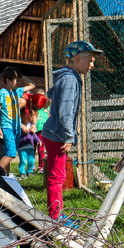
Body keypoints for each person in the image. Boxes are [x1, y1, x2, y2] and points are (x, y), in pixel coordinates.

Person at [41, 40, 103, 221]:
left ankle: (57, 213)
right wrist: (69, 136)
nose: (92, 65)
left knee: (58, 175)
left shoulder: (65, 77)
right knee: (57, 176)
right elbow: (66, 111)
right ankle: (56, 216)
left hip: (54, 133)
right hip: (58, 135)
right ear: (77, 59)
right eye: (90, 60)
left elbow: (53, 94)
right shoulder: (70, 79)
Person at [0, 67, 35, 176]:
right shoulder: (2, 92)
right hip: (7, 127)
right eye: (16, 79)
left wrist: (20, 76)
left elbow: (32, 85)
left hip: (16, 128)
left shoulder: (17, 92)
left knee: (9, 153)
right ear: (8, 81)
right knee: (11, 153)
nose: (18, 82)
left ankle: (5, 177)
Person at [18, 91, 47, 178]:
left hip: (30, 146)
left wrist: (34, 125)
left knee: (31, 160)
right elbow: (12, 116)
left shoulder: (31, 109)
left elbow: (34, 114)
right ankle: (21, 172)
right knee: (23, 160)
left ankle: (30, 171)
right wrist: (21, 126)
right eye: (36, 108)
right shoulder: (22, 102)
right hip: (15, 128)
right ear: (31, 102)